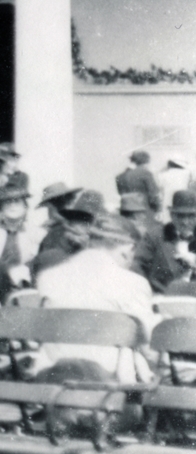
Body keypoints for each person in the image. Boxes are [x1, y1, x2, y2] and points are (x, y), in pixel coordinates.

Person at [33, 215, 159, 382]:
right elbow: (149, 346)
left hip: (53, 376)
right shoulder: (133, 283)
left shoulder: (48, 277)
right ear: (127, 249)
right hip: (107, 381)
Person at [134, 187, 196, 293]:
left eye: (191, 216)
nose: (185, 222)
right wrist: (148, 292)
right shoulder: (155, 236)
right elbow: (137, 266)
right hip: (161, 299)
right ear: (171, 215)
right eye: (180, 216)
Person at [116, 150, 161, 216]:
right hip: (143, 210)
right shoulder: (146, 174)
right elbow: (153, 195)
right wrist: (158, 210)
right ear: (146, 162)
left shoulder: (120, 176)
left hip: (124, 209)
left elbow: (120, 193)